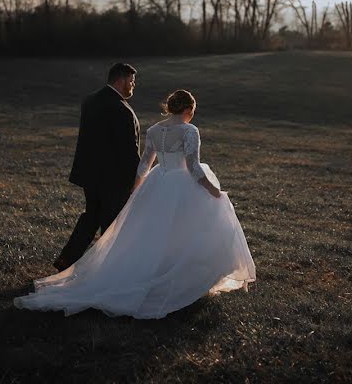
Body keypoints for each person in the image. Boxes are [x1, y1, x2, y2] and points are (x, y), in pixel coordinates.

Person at [15, 89, 256, 319]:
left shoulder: (153, 130)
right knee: (189, 231)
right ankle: (181, 278)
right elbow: (193, 168)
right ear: (188, 110)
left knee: (154, 233)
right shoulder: (189, 130)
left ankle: (160, 272)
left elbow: (144, 166)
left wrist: (136, 192)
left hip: (158, 183)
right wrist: (215, 191)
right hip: (182, 185)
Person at [52, 62, 140, 272]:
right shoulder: (122, 109)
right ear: (120, 80)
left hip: (90, 175)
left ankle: (67, 259)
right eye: (131, 81)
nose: (133, 85)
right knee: (112, 224)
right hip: (115, 179)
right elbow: (129, 150)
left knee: (91, 216)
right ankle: (106, 268)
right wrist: (135, 181)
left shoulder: (90, 100)